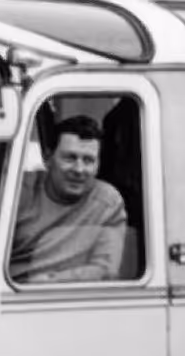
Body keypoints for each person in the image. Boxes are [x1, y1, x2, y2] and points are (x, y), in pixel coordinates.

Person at [10, 115, 129, 283]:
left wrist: (49, 281)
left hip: (68, 300)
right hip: (8, 295)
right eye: (70, 158)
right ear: (47, 158)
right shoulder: (17, 191)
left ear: (98, 165)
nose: (79, 169)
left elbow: (105, 270)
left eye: (88, 160)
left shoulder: (107, 203)